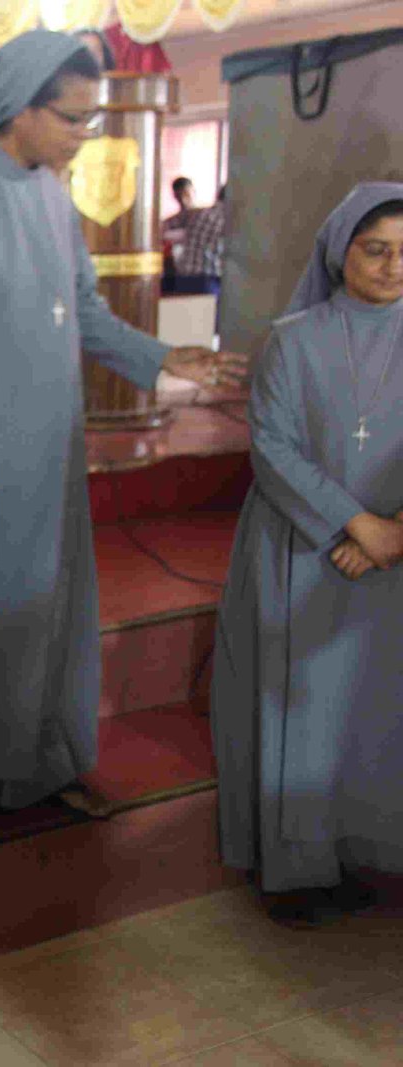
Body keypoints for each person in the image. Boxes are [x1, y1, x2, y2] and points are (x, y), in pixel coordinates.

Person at [0, 31, 247, 814]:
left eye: (91, 120)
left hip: (44, 433)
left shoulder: (50, 193)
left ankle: (23, 762)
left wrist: (165, 358)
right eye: (73, 119)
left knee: (35, 599)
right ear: (19, 108)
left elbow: (87, 315)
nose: (84, 136)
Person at [212, 183, 403, 928]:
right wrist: (356, 526)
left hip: (390, 556)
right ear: (339, 253)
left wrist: (395, 531)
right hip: (300, 545)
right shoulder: (293, 339)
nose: (392, 266)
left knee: (372, 707)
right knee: (302, 707)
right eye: (376, 250)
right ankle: (295, 868)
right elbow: (273, 449)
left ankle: (366, 850)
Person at [175, 184, 227, 294]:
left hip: (183, 279)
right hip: (208, 281)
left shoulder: (197, 213)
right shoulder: (226, 219)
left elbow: (164, 225)